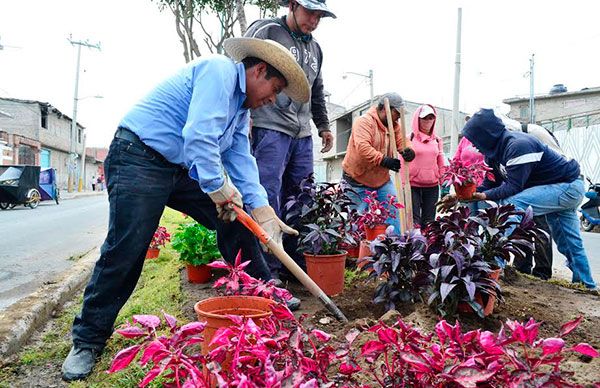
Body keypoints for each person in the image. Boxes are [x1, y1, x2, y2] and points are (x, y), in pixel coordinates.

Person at [61, 37, 309, 381]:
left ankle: (263, 293)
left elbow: (239, 155)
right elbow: (199, 135)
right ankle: (87, 340)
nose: (272, 99)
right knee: (128, 246)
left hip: (179, 167)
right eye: (274, 88)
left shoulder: (240, 108)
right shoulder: (219, 72)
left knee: (239, 219)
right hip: (138, 155)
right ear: (259, 70)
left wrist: (260, 206)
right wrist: (217, 188)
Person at [439, 108, 596, 289]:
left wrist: (483, 196)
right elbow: (490, 184)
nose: (474, 146)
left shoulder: (518, 145)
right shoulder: (494, 154)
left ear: (487, 135)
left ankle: (494, 268)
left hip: (569, 186)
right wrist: (460, 197)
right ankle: (587, 285)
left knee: (512, 205)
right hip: (558, 190)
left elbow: (513, 186)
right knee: (568, 241)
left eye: (476, 140)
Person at [244, 0, 335, 278]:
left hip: (302, 133)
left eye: (319, 16)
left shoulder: (315, 48)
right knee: (267, 195)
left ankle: (295, 264)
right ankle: (266, 270)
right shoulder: (268, 30)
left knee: (301, 198)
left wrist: (323, 125)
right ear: (293, 6)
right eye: (310, 13)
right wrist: (242, 114)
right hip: (269, 125)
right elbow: (243, 68)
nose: (314, 21)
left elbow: (315, 90)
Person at [341, 93, 415, 233]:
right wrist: (383, 160)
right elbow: (363, 147)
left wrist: (409, 150)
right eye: (396, 113)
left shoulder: (394, 126)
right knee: (355, 221)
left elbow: (402, 142)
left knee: (394, 210)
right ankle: (354, 251)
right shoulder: (364, 122)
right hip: (356, 181)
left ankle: (395, 246)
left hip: (381, 182)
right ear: (383, 109)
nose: (398, 116)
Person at [409, 104, 445, 228]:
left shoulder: (437, 140)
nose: (428, 121)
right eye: (425, 118)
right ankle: (414, 245)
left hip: (432, 186)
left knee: (429, 221)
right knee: (414, 221)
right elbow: (402, 162)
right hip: (413, 185)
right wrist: (403, 184)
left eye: (431, 118)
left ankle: (429, 245)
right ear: (417, 119)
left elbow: (440, 159)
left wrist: (443, 180)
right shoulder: (409, 139)